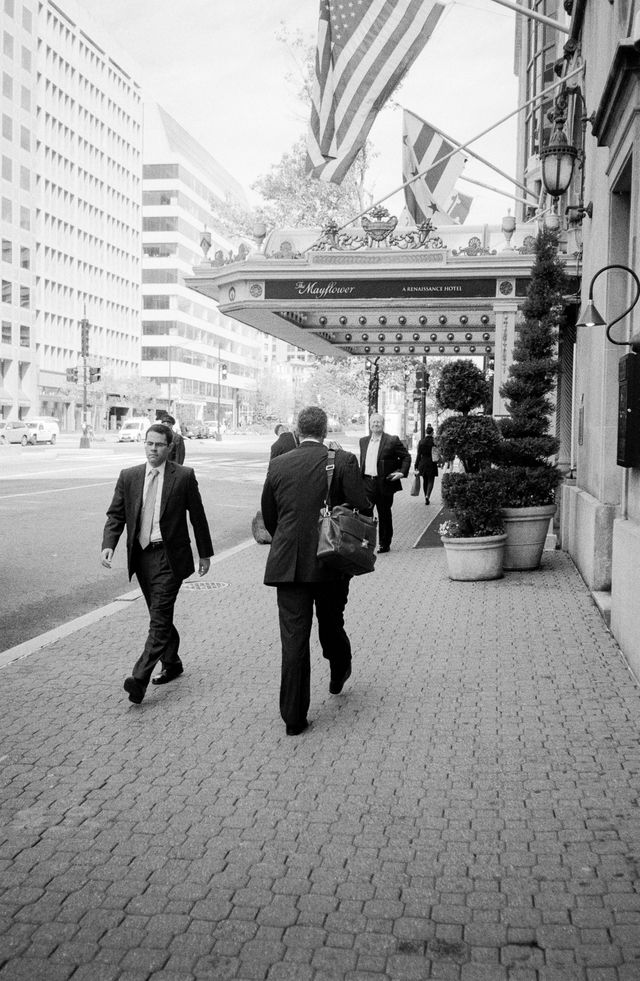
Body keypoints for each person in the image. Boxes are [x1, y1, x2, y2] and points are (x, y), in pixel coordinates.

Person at [261, 405, 370, 736]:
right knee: (331, 623)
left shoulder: (278, 464)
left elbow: (270, 516)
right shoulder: (343, 461)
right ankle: (340, 666)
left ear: (297, 429)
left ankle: (293, 718)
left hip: (288, 565)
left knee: (293, 640)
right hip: (331, 561)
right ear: (326, 430)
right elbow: (363, 506)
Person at [100, 423, 213, 705]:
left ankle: (139, 679)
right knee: (159, 616)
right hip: (141, 556)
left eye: (159, 445)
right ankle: (172, 663)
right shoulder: (130, 476)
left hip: (170, 557)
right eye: (149, 444)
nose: (153, 449)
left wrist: (205, 554)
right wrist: (108, 545)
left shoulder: (183, 476)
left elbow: (197, 516)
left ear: (169, 447)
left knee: (159, 617)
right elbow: (116, 515)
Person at [359, 413, 411, 553]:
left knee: (384, 514)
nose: (375, 424)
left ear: (383, 424)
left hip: (384, 484)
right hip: (367, 483)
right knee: (365, 515)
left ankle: (384, 543)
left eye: (378, 422)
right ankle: (366, 543)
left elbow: (406, 456)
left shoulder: (391, 440)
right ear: (369, 424)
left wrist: (402, 472)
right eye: (373, 422)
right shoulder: (363, 441)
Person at [414, 424, 440, 505]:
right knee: (431, 480)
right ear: (432, 432)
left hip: (423, 463)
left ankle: (425, 495)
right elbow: (438, 452)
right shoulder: (435, 441)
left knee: (425, 480)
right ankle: (427, 496)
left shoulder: (421, 441)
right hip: (432, 462)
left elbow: (418, 454)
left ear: (426, 432)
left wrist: (416, 465)